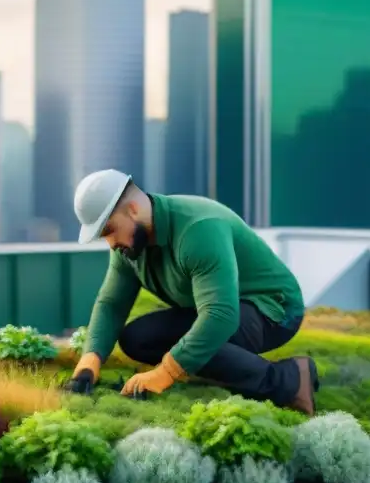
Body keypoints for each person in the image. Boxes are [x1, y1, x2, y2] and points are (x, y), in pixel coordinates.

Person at [67, 168, 318, 416]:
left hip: (272, 310)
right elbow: (112, 304)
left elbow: (220, 316)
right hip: (214, 307)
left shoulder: (198, 230)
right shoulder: (129, 246)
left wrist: (166, 373)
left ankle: (290, 379)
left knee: (206, 337)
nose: (111, 243)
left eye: (109, 230)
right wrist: (91, 359)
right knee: (137, 339)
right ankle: (222, 371)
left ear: (133, 209)